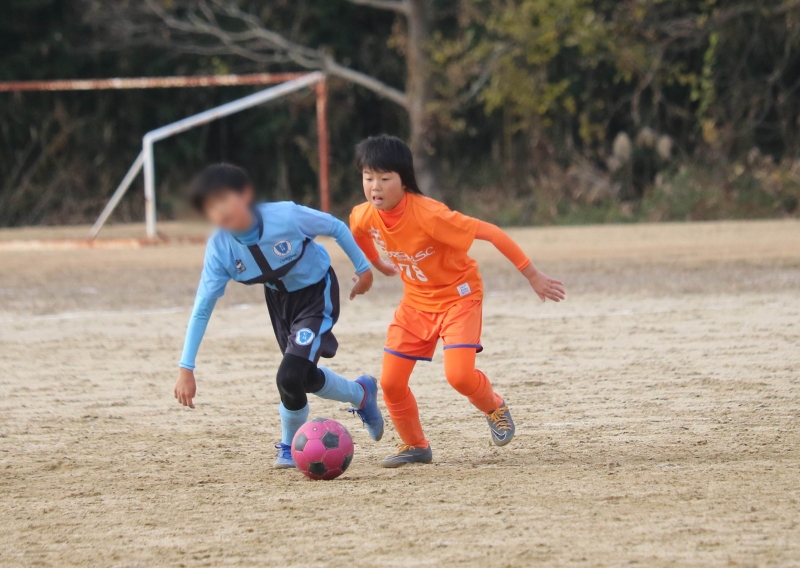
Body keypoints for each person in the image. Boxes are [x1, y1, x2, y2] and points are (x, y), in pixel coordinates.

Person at [350, 135, 566, 467]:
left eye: (384, 178)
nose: (374, 187)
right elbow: (357, 232)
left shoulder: (430, 215)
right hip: (415, 303)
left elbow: (491, 233)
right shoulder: (365, 214)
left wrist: (532, 274)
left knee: (460, 377)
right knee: (391, 383)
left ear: (404, 180)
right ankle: (415, 446)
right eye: (368, 178)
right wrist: (377, 265)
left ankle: (494, 407)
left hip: (458, 298)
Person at [174, 163, 384, 469]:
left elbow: (336, 227)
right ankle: (361, 393)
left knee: (288, 376)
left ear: (245, 194)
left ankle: (288, 446)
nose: (220, 211)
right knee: (303, 378)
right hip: (279, 303)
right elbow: (202, 308)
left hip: (316, 293)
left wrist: (364, 270)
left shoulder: (286, 216)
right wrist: (186, 368)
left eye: (223, 199)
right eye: (210, 207)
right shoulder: (220, 249)